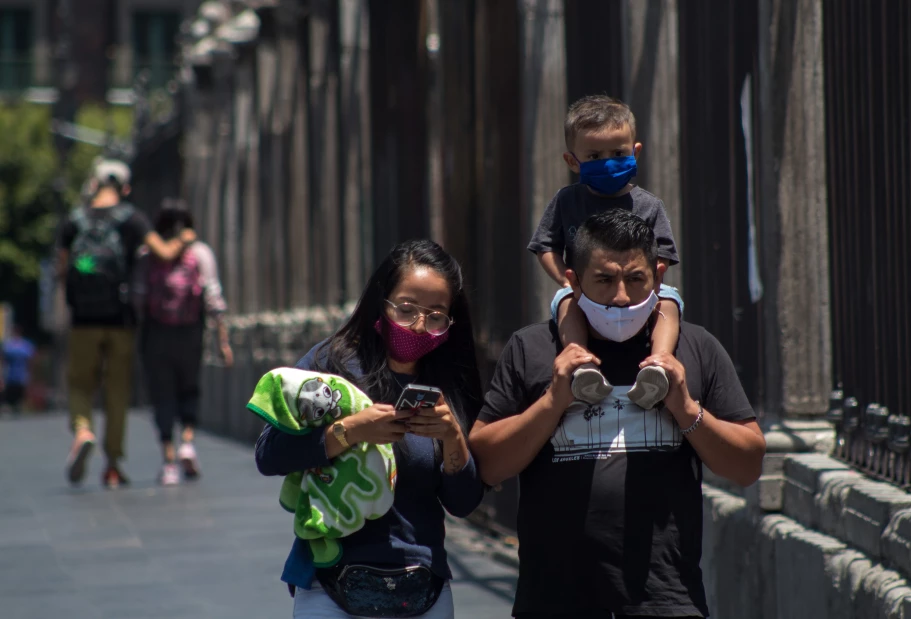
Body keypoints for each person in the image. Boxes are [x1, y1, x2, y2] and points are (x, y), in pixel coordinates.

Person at [470, 209, 766, 619]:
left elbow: (749, 464)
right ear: (573, 281)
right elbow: (485, 463)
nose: (622, 297)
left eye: (636, 279)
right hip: (554, 601)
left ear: (659, 276)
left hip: (665, 599)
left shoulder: (695, 348)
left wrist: (686, 410)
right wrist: (553, 401)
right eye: (605, 280)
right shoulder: (532, 348)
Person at [255, 239, 485, 618]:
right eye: (407, 309)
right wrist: (349, 432)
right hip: (330, 586)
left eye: (436, 315)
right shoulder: (331, 364)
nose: (419, 326)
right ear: (382, 300)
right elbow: (269, 454)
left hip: (423, 588)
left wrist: (452, 438)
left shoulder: (449, 380)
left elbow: (463, 503)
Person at [528, 95, 683, 408]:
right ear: (573, 161)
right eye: (595, 155)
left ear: (635, 152)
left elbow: (662, 252)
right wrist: (566, 282)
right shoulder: (566, 201)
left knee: (670, 300)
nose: (608, 162)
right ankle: (582, 365)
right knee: (566, 304)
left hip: (641, 289)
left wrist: (650, 286)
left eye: (618, 153)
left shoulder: (649, 205)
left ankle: (658, 363)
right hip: (584, 290)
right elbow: (545, 245)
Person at [57, 159, 195, 488]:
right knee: (117, 391)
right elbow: (162, 252)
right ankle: (113, 465)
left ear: (94, 184)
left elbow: (61, 271)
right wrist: (184, 240)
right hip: (120, 319)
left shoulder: (73, 220)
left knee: (79, 384)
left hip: (83, 321)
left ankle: (82, 430)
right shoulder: (132, 218)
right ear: (126, 188)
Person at [137, 199, 233, 486]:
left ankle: (168, 461)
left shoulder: (146, 254)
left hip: (156, 335)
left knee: (162, 397)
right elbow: (213, 297)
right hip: (190, 332)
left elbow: (138, 299)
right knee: (189, 389)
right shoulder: (200, 252)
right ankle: (188, 443)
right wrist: (223, 341)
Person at [0, 324, 36, 415]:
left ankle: (19, 406)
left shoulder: (25, 344)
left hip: (21, 373)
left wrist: (30, 373)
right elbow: (3, 359)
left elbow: (30, 360)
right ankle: (11, 406)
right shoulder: (8, 345)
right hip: (10, 374)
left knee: (21, 391)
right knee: (10, 391)